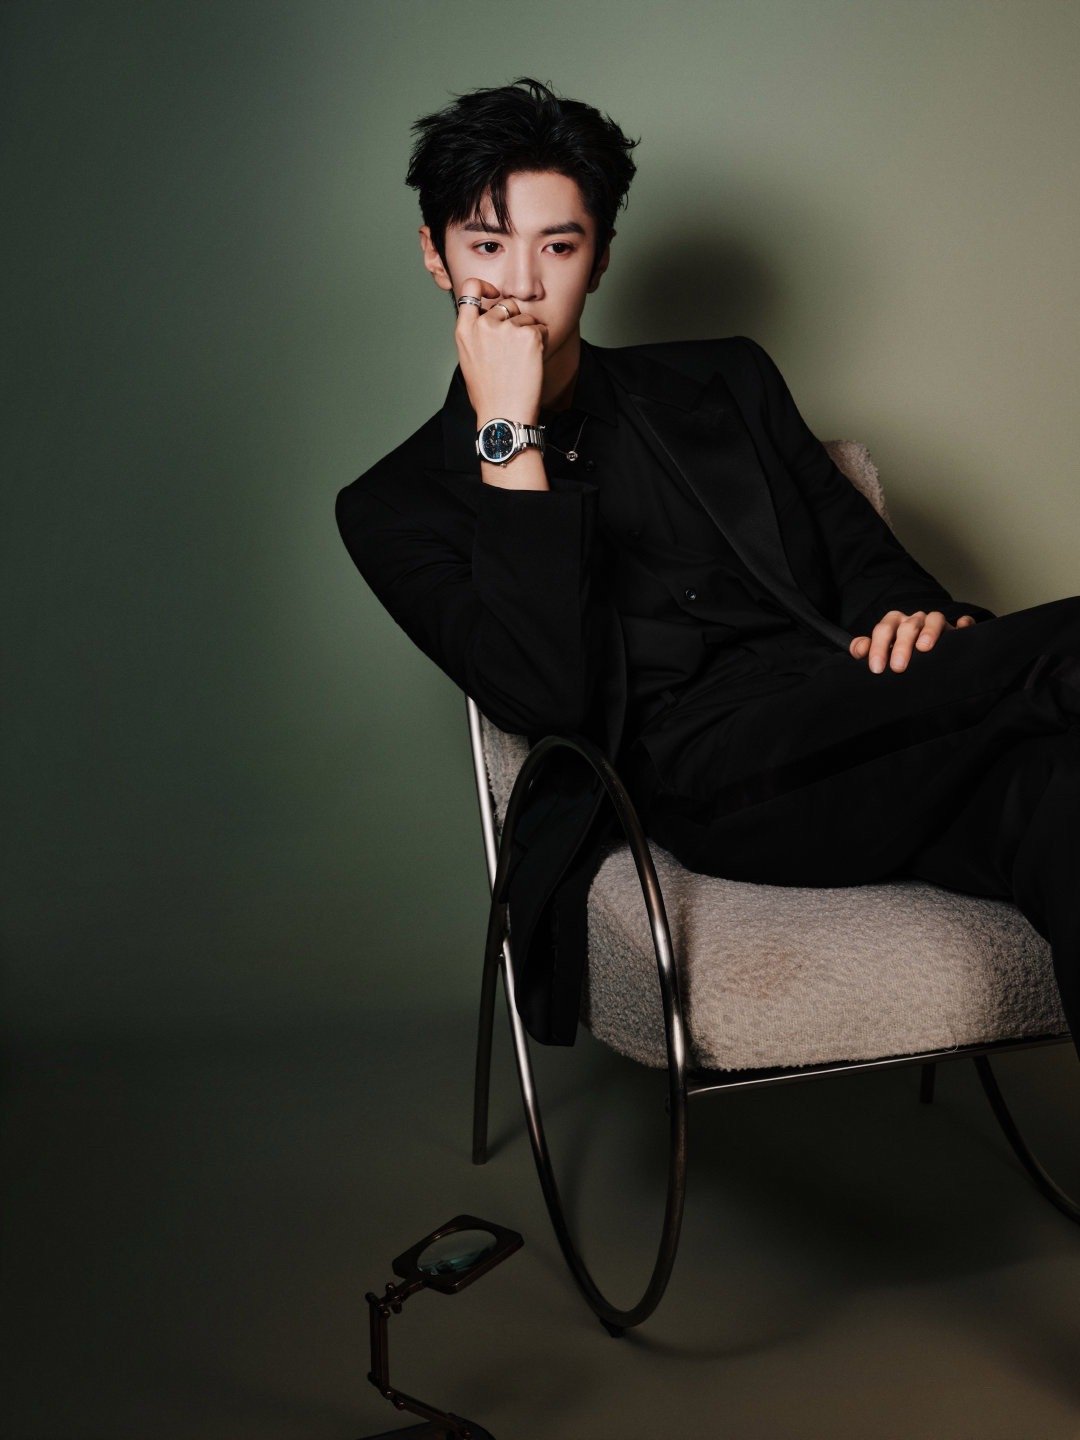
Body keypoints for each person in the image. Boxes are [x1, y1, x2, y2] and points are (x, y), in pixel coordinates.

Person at [336, 77, 1080, 1056]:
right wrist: (507, 436)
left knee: (1064, 795)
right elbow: (546, 696)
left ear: (600, 255)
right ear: (436, 255)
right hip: (705, 782)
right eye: (486, 245)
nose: (520, 286)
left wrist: (921, 619)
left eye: (557, 246)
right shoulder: (394, 506)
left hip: (872, 718)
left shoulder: (725, 379)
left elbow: (873, 568)